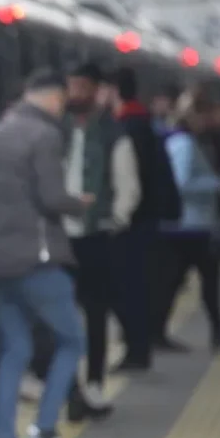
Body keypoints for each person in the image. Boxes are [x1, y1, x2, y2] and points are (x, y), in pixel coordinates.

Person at [0, 69, 93, 438]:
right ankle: (44, 429)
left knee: (15, 348)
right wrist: (81, 202)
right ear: (55, 98)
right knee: (72, 339)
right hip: (36, 259)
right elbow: (52, 197)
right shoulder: (44, 135)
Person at [62, 62, 140, 417]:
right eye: (71, 86)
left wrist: (116, 218)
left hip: (95, 236)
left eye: (82, 86)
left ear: (95, 90)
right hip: (59, 236)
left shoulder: (113, 132)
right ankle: (68, 387)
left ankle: (93, 382)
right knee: (61, 315)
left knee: (95, 313)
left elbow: (128, 183)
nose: (75, 93)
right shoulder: (55, 128)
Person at [105, 67, 186, 377]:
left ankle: (137, 349)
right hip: (147, 220)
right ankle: (141, 344)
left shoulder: (128, 127)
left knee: (129, 287)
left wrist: (117, 218)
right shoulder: (143, 123)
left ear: (112, 90)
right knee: (137, 285)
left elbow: (131, 185)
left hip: (133, 224)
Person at [156, 89, 220, 351]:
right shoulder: (185, 144)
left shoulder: (179, 139)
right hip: (192, 224)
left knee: (177, 280)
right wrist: (216, 183)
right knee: (203, 278)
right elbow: (182, 182)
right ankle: (217, 329)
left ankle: (158, 330)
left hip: (188, 224)